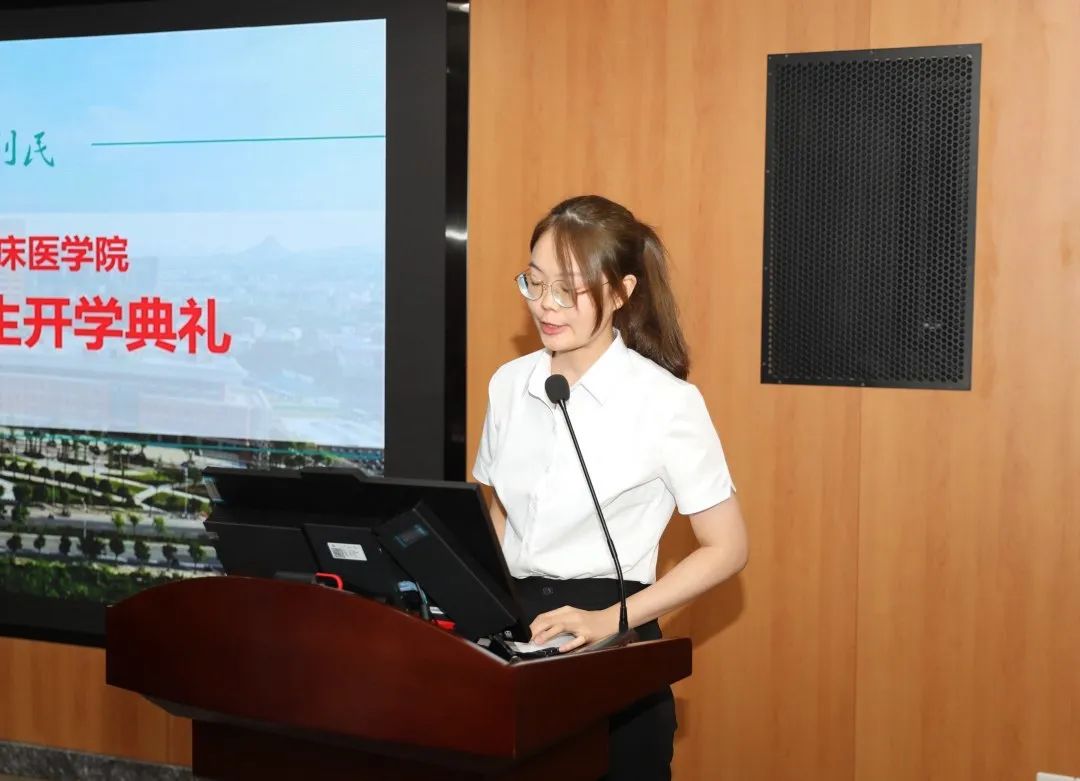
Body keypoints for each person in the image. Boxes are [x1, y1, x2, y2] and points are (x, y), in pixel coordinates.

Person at [472, 194, 748, 780]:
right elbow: (499, 514)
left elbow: (727, 548)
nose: (545, 305)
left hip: (611, 639)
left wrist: (612, 620)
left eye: (568, 290)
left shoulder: (667, 403)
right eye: (535, 282)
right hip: (513, 640)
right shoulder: (508, 384)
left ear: (621, 292)